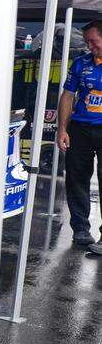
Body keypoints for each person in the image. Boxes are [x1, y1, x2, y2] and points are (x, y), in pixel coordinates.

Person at [56, 20, 102, 248]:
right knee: (76, 178)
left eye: (94, 42)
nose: (90, 47)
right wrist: (62, 129)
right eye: (87, 43)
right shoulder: (80, 63)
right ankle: (81, 230)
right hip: (80, 128)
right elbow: (67, 95)